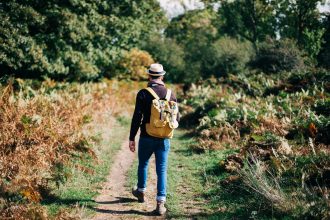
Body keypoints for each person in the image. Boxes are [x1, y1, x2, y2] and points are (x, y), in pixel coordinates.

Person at [129, 63, 179, 215]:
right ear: (162, 76)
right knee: (161, 169)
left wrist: (132, 137)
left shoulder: (143, 93)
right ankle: (160, 203)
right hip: (164, 138)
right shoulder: (171, 94)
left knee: (143, 164)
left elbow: (137, 116)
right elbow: (177, 118)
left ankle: (141, 191)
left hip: (146, 136)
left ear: (149, 76)